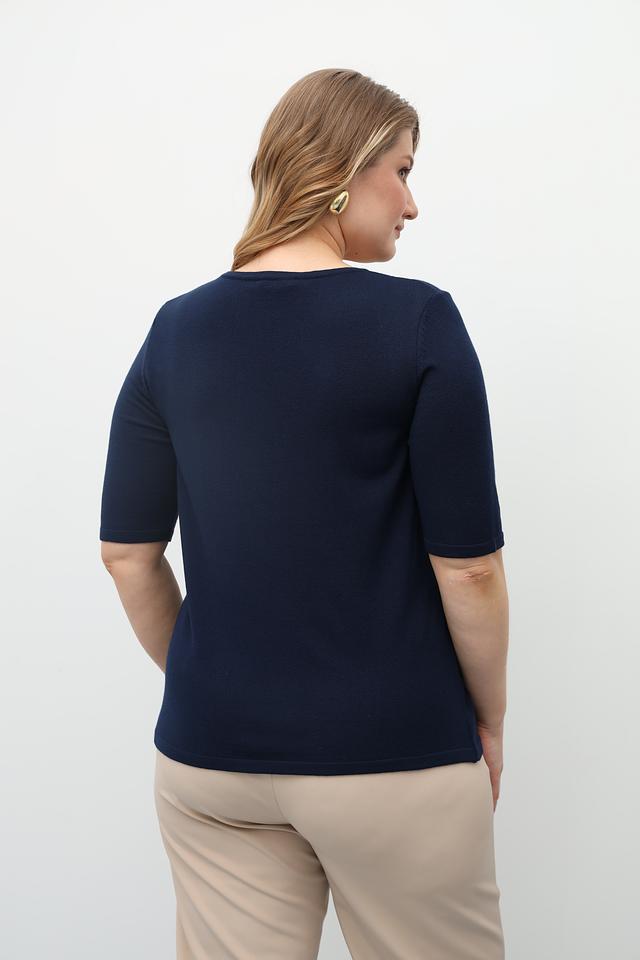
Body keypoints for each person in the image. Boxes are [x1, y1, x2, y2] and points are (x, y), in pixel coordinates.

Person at [99, 67, 509, 960]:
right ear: (344, 172)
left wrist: (217, 680)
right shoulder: (418, 322)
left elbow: (128, 554)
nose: (412, 204)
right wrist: (489, 718)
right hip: (393, 755)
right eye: (403, 170)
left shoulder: (175, 330)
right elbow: (470, 567)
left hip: (211, 762)